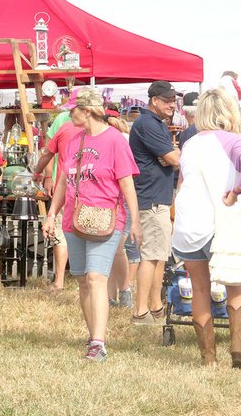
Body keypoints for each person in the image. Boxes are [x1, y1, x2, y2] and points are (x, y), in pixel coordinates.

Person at [42, 88, 141, 362]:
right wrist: (51, 214)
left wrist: (135, 220)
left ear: (86, 111)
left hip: (106, 219)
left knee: (97, 277)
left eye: (72, 109)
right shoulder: (74, 140)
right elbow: (63, 180)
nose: (68, 113)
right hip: (75, 220)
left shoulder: (115, 141)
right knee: (83, 280)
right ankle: (92, 336)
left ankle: (99, 342)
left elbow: (126, 183)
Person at [172, 89, 241, 368]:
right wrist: (237, 191)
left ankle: (208, 358)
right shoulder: (232, 140)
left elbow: (182, 183)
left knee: (199, 289)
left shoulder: (189, 144)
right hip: (220, 223)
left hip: (189, 224)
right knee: (235, 286)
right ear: (228, 112)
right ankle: (237, 352)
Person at [128, 80, 180, 325]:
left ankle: (156, 306)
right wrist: (168, 157)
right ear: (154, 101)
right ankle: (141, 312)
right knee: (150, 256)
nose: (172, 104)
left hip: (156, 197)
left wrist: (168, 158)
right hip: (150, 198)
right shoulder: (148, 123)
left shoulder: (155, 123)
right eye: (168, 100)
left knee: (159, 255)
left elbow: (170, 158)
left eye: (173, 100)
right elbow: (174, 158)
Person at [33, 89, 82, 290]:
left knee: (61, 233)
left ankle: (60, 280)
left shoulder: (63, 123)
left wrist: (38, 173)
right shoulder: (101, 127)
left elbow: (47, 153)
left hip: (65, 188)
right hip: (89, 190)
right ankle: (84, 280)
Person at [105, 110, 134, 309]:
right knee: (110, 250)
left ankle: (124, 290)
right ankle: (109, 295)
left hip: (121, 198)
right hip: (108, 198)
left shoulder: (123, 139)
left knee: (116, 248)